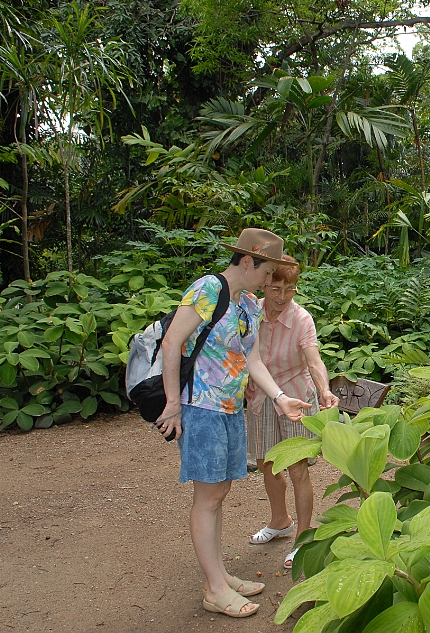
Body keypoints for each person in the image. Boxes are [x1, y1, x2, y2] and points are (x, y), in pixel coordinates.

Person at [157, 228, 313, 619]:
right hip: (201, 407)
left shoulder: (248, 305)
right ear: (248, 262)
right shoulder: (208, 289)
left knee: (218, 494)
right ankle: (214, 589)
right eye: (266, 273)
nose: (268, 282)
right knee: (207, 497)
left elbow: (253, 360)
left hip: (230, 409)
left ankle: (220, 575)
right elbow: (171, 342)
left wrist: (280, 398)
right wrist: (173, 404)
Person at [245, 254, 340, 569]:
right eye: (274, 289)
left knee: (298, 469)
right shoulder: (251, 313)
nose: (282, 297)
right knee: (267, 464)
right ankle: (279, 520)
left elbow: (314, 361)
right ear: (264, 284)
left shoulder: (302, 319)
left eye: (289, 289)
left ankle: (303, 537)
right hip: (261, 398)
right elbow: (240, 353)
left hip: (296, 400)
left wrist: (325, 390)